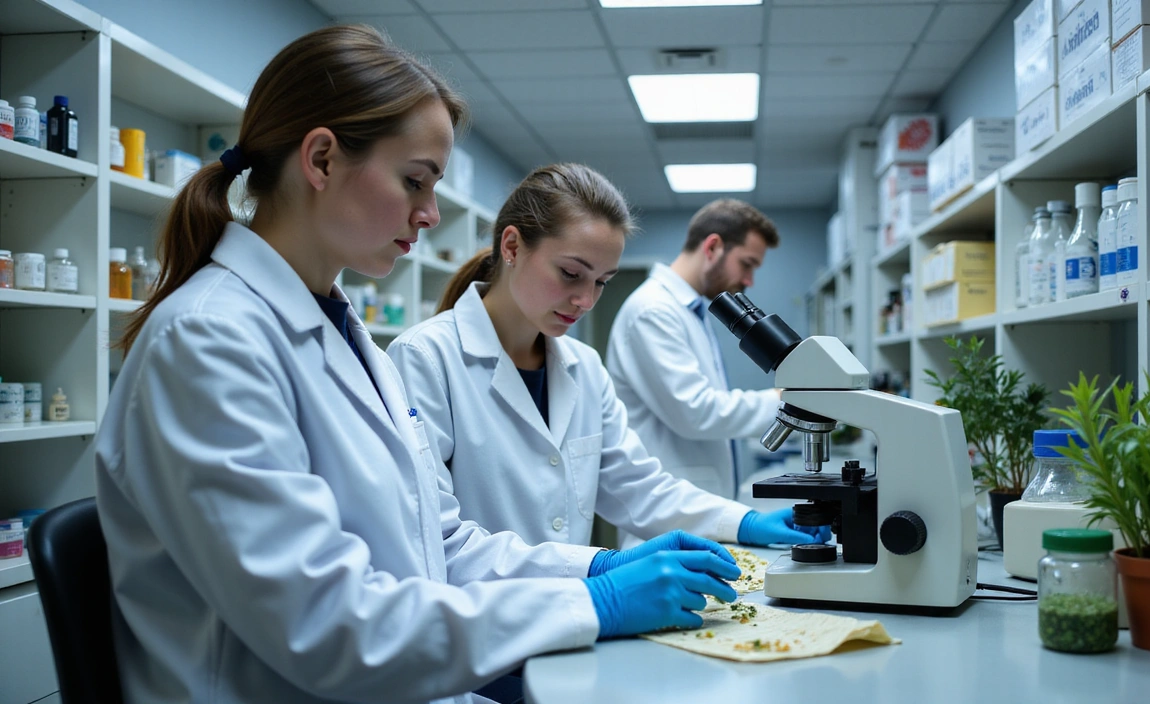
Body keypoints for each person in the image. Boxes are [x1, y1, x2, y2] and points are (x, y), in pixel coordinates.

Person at [95, 26, 740, 704]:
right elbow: (328, 626)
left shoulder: (347, 341)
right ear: (320, 160)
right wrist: (594, 604)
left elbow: (444, 545)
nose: (430, 213)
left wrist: (600, 567)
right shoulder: (209, 340)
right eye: (414, 181)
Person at [387, 164, 828, 555]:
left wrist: (745, 522)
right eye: (570, 274)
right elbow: (435, 536)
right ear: (512, 246)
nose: (585, 300)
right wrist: (597, 570)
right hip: (481, 629)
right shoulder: (425, 359)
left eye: (602, 281)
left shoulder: (583, 366)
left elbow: (636, 487)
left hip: (573, 621)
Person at [606, 199, 784, 526]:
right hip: (667, 514)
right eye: (747, 264)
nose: (749, 281)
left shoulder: (690, 310)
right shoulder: (653, 311)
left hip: (697, 506)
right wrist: (782, 400)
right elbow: (696, 412)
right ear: (713, 247)